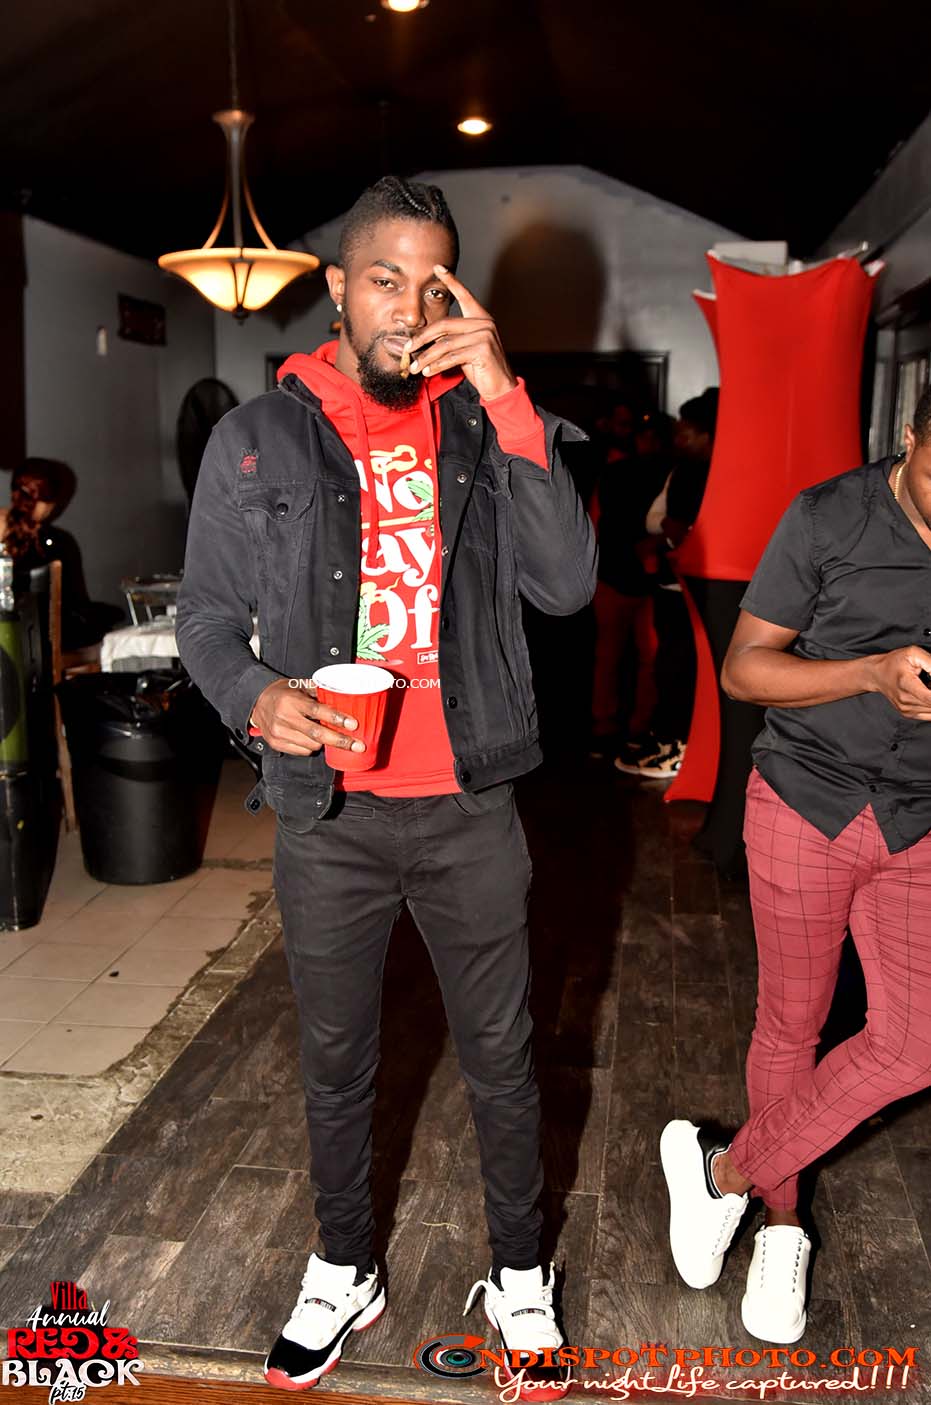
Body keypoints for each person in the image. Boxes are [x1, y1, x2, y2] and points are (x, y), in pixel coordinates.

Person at [175, 176, 596, 1398]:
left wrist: (505, 392)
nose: (408, 308)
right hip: (331, 812)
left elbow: (567, 584)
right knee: (334, 1056)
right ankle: (343, 1260)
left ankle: (518, 1271)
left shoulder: (487, 422)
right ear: (336, 289)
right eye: (383, 279)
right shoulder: (256, 435)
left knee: (503, 1055)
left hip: (468, 804)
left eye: (433, 283)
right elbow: (205, 620)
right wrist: (255, 699)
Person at [661, 381, 931, 1344]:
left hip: (919, 821)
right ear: (910, 436)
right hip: (806, 800)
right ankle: (782, 1225)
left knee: (913, 1042)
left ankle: (723, 1172)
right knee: (793, 1022)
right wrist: (870, 672)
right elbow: (743, 669)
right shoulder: (827, 516)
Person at [615, 389, 717, 778]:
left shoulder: (718, 474)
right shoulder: (682, 470)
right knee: (668, 666)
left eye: (686, 432)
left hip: (702, 590)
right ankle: (667, 740)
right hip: (670, 586)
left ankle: (681, 746)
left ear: (707, 435)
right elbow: (655, 519)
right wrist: (669, 530)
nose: (679, 439)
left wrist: (679, 532)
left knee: (688, 668)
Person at [589, 409, 671, 757]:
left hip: (639, 577)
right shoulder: (619, 472)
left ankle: (630, 726)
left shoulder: (665, 473)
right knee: (620, 656)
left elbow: (596, 521)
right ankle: (616, 726)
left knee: (638, 657)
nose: (647, 441)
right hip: (624, 574)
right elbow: (596, 519)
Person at [1, 458, 123, 649]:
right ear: (51, 500)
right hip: (45, 637)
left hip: (17, 633)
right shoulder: (60, 542)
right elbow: (76, 603)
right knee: (110, 617)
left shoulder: (54, 540)